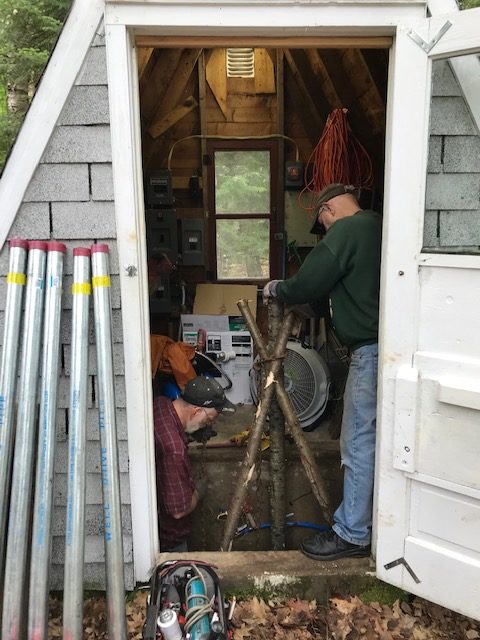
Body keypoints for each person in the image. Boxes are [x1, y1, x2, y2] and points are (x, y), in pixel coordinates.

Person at [263, 183, 381, 561]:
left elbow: (308, 282)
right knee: (381, 441)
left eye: (323, 224)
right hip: (390, 348)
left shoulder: (347, 230)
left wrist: (279, 289)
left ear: (328, 210)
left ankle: (352, 533)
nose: (326, 230)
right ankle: (374, 523)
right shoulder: (381, 226)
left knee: (358, 442)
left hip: (369, 351)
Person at [154, 375, 235, 552]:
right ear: (196, 412)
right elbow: (178, 510)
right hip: (169, 542)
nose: (209, 424)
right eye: (209, 419)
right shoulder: (174, 450)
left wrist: (190, 432)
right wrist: (198, 492)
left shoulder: (161, 404)